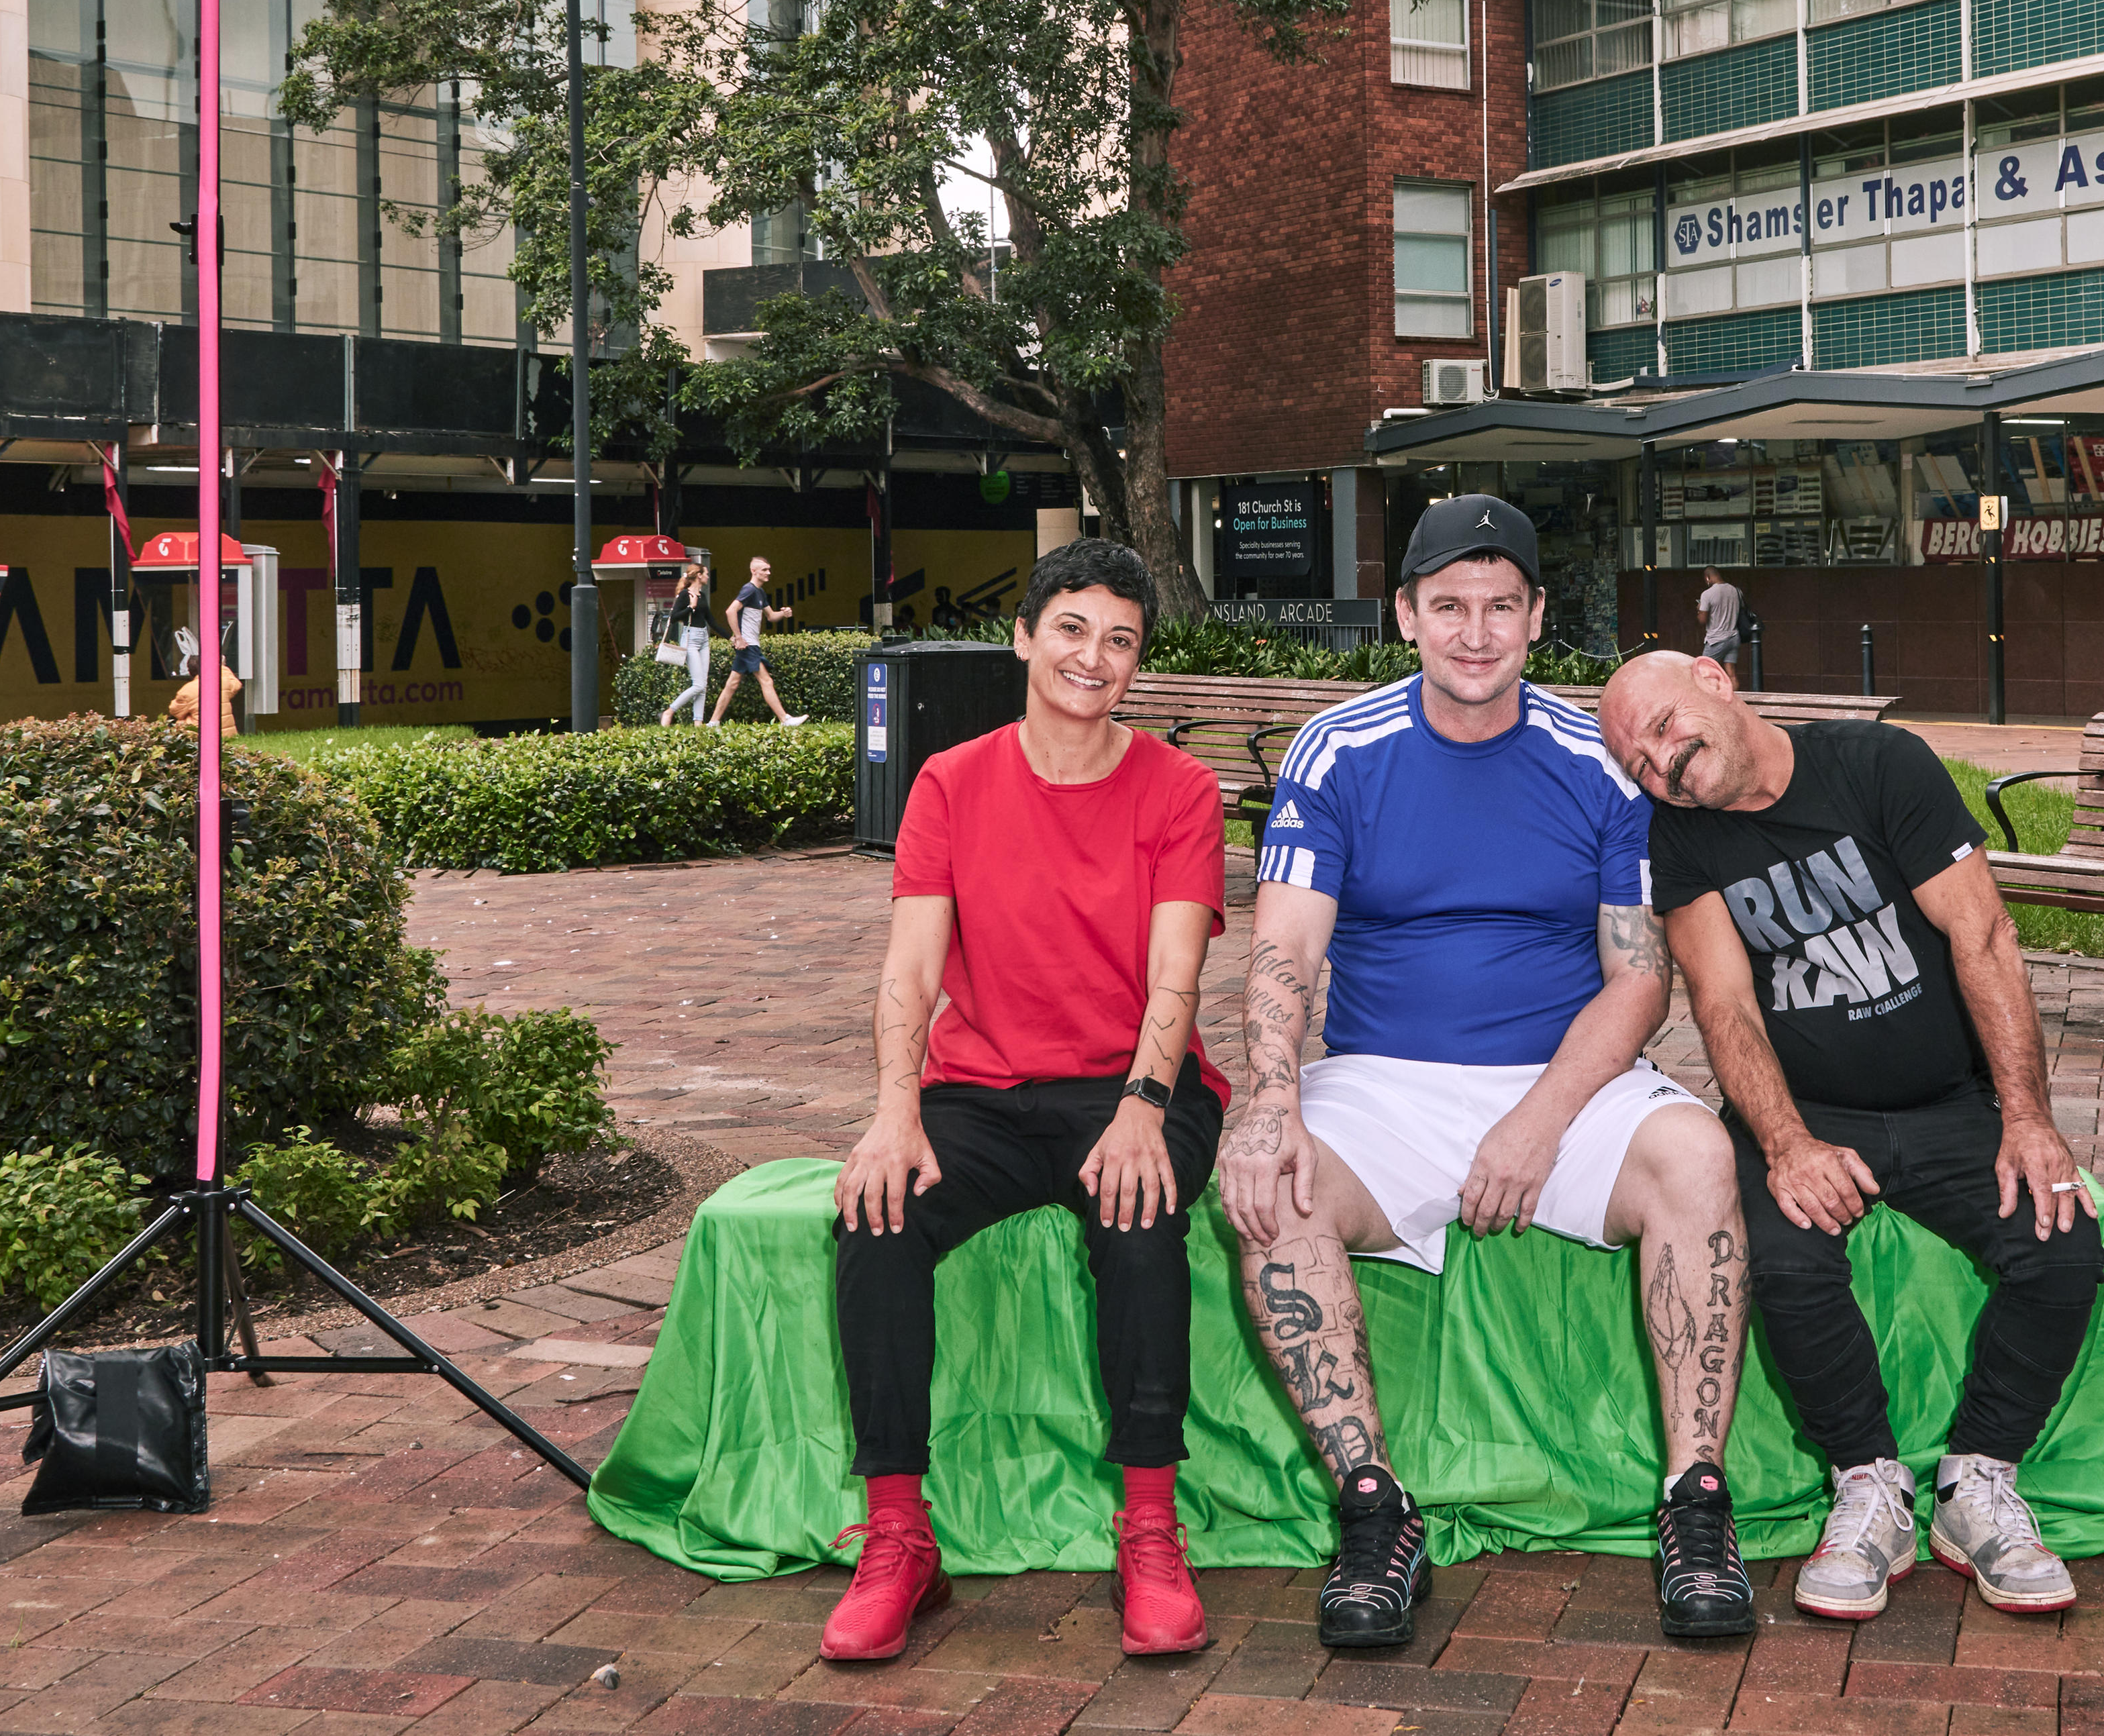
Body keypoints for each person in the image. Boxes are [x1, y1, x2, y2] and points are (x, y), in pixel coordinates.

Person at [1225, 493, 1758, 1651]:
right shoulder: (1340, 749)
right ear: (1406, 614)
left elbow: (1636, 980)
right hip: (1381, 1079)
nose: (1476, 632)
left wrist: (1537, 1121)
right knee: (1277, 1190)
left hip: (1563, 1081)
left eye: (1501, 608)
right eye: (1451, 607)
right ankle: (1375, 1507)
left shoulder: (1597, 767)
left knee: (1699, 1156)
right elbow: (1286, 948)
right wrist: (1267, 1104)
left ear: (1536, 617)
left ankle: (1697, 1501)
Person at [1594, 650, 2104, 1623]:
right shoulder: (1683, 835)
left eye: (1664, 727)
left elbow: (1983, 936)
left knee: (2063, 1245)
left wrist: (2027, 1117)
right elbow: (1724, 998)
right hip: (1805, 1108)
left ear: (1715, 678)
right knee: (1781, 1256)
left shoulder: (1881, 766)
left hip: (1948, 1100)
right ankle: (1868, 1482)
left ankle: (1975, 1482)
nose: (1664, 764)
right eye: (1641, 763)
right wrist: (1785, 1143)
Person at [823, 538, 1232, 1662]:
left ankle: (1149, 1528)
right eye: (1072, 629)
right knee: (877, 1210)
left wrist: (1146, 1105)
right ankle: (899, 1534)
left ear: (1137, 664)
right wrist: (895, 1110)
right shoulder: (952, 782)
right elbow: (909, 972)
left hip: (1133, 1085)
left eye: (1120, 641)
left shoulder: (1181, 789)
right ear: (1025, 636)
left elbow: (1178, 975)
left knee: (1139, 1213)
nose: (1093, 658)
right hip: (987, 1094)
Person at [705, 555, 809, 725]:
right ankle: (785, 719)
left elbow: (771, 616)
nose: (769, 573)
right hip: (748, 645)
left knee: (733, 683)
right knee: (767, 680)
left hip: (750, 644)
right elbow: (730, 611)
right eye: (764, 570)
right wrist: (738, 638)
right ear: (754, 571)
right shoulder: (749, 590)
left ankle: (713, 722)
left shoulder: (759, 592)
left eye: (769, 569)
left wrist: (783, 614)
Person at [658, 562, 715, 726]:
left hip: (703, 638)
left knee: (702, 685)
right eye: (706, 573)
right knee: (698, 684)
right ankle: (669, 711)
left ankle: (698, 722)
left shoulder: (702, 596)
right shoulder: (685, 595)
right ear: (699, 575)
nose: (707, 576)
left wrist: (732, 638)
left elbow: (711, 620)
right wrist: (691, 607)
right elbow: (674, 618)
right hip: (690, 638)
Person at [1697, 568, 1744, 674]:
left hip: (1716, 640)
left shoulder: (1707, 594)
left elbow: (1702, 620)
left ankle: (1710, 691)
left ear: (1707, 578)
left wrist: (1700, 609)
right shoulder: (1734, 590)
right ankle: (1732, 691)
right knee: (1731, 674)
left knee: (1703, 671)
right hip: (1734, 637)